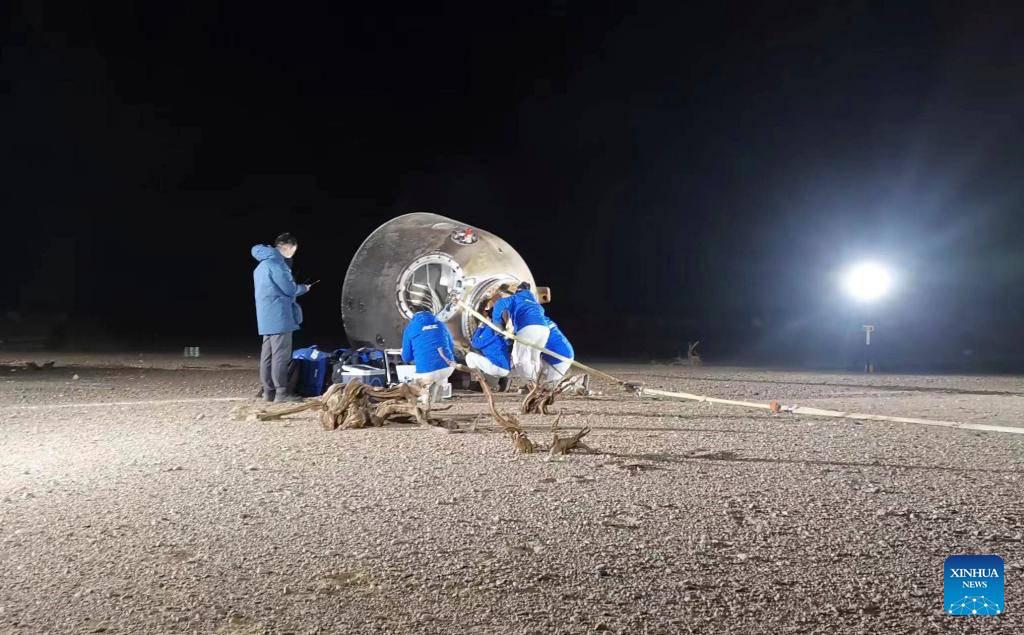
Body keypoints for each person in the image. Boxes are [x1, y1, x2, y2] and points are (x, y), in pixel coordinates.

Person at [252, 233, 312, 402]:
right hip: (280, 316)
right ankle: (281, 393)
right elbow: (290, 289)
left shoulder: (261, 265)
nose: (293, 253)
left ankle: (268, 391)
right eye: (293, 249)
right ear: (287, 246)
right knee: (281, 355)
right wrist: (304, 288)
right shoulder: (278, 264)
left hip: (265, 316)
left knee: (267, 355)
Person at [492, 282, 549, 381]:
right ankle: (536, 382)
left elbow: (499, 303)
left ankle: (530, 383)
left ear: (518, 291)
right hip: (544, 330)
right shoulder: (535, 303)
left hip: (528, 327)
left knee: (520, 358)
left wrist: (497, 324)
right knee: (534, 357)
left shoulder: (516, 298)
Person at [401, 310, 455, 406]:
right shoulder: (441, 324)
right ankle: (439, 389)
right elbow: (451, 345)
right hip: (448, 368)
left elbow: (406, 357)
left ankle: (425, 398)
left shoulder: (410, 328)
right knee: (438, 372)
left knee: (421, 378)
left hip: (427, 372)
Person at [465, 305, 512, 381]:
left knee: (469, 356)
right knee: (485, 356)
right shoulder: (501, 329)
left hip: (497, 367)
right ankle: (498, 382)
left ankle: (478, 381)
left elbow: (475, 344)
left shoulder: (489, 328)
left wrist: (480, 327)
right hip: (505, 368)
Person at [539, 315, 574, 384]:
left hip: (561, 359)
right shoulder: (536, 319)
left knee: (550, 388)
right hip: (550, 357)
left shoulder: (534, 323)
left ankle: (573, 383)